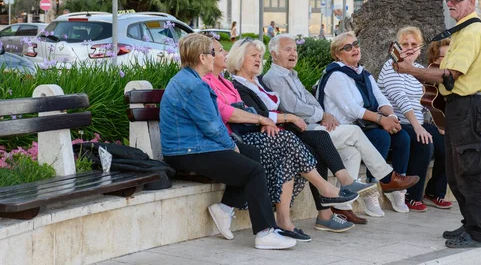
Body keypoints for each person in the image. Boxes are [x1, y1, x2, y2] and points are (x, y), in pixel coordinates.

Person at [158, 34, 296, 250]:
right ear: (202, 57)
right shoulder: (195, 86)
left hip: (192, 147)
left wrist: (235, 146)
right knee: (253, 170)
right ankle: (265, 232)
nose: (217, 56)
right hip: (187, 152)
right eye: (213, 52)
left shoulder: (190, 79)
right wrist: (232, 146)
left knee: (253, 155)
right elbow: (212, 127)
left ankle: (224, 209)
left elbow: (211, 124)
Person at [264, 34, 417, 221]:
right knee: (355, 133)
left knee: (353, 151)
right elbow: (293, 107)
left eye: (295, 49)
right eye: (288, 50)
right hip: (301, 132)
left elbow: (310, 101)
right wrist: (322, 115)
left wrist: (322, 114)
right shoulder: (275, 77)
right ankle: (386, 178)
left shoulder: (291, 75)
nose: (293, 53)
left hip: (315, 126)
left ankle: (342, 205)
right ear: (274, 54)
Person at [221, 38, 361, 240]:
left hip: (275, 134)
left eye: (260, 56)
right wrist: (284, 119)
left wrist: (278, 120)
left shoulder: (258, 82)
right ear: (239, 58)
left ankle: (290, 220)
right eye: (253, 56)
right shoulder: (238, 85)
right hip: (254, 137)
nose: (259, 60)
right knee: (299, 142)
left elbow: (270, 112)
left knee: (309, 147)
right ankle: (326, 191)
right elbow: (256, 114)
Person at [392, 0, 481, 248]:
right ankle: (469, 223)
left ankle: (477, 232)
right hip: (458, 108)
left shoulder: (471, 33)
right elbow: (443, 78)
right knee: (455, 173)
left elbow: (450, 75)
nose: (449, 4)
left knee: (468, 172)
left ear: (471, 2)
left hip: (467, 107)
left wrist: (412, 69)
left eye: (455, 0)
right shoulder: (462, 31)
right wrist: (417, 69)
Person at [316, 31, 421, 215]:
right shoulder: (336, 75)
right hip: (345, 128)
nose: (354, 49)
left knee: (402, 136)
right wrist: (382, 120)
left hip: (364, 125)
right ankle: (372, 189)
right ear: (338, 54)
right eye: (347, 47)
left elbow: (382, 100)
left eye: (355, 44)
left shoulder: (363, 74)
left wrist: (392, 118)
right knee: (381, 137)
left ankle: (395, 188)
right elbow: (352, 110)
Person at [378, 27, 452, 213]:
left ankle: (434, 192)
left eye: (413, 44)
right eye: (405, 44)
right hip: (398, 122)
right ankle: (412, 196)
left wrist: (440, 125)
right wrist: (418, 127)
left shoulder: (420, 70)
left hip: (418, 121)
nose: (409, 48)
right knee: (424, 141)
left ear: (420, 48)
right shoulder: (391, 66)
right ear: (397, 46)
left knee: (447, 142)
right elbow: (401, 99)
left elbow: (429, 101)